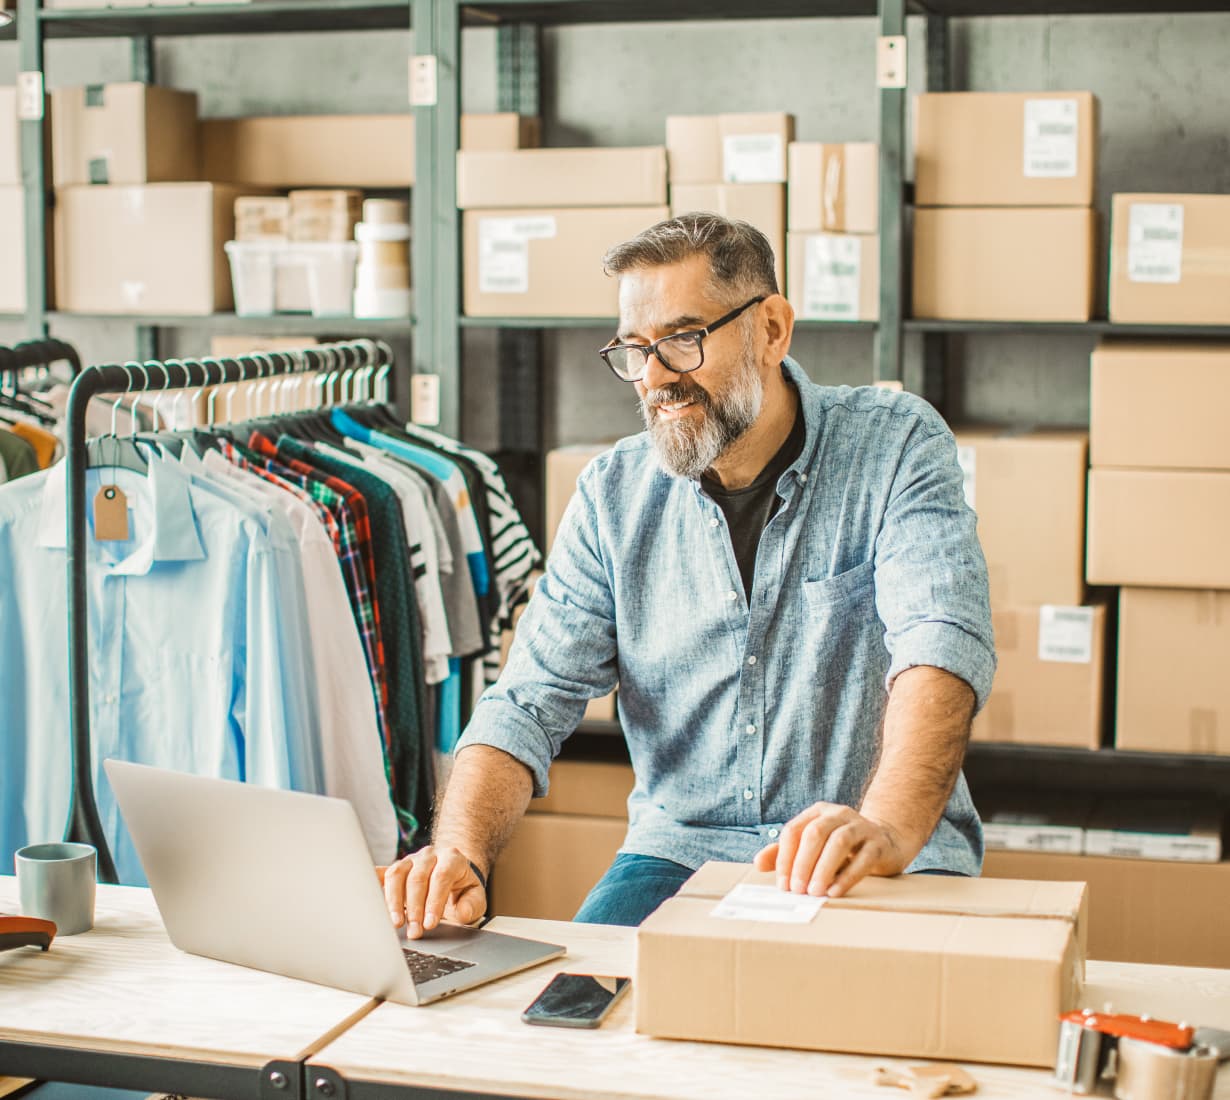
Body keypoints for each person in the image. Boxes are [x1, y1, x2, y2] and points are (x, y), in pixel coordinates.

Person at [385, 212, 995, 937]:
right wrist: (458, 850)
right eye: (634, 351)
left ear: (771, 329)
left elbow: (940, 646)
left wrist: (889, 826)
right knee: (578, 1021)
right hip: (679, 858)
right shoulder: (612, 495)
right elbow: (527, 701)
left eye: (681, 340)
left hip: (868, 851)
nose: (654, 379)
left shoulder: (895, 446)